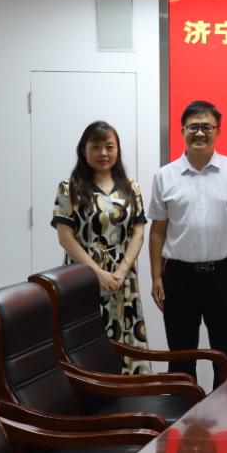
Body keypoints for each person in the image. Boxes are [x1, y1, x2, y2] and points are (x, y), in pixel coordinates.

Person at [148, 100, 227, 378]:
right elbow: (157, 230)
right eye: (193, 127)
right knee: (181, 357)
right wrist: (156, 276)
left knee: (226, 355)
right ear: (183, 130)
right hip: (178, 277)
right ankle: (184, 407)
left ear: (217, 131)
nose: (199, 133)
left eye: (206, 127)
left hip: (223, 275)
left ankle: (226, 407)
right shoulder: (164, 176)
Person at [52, 121, 150, 374]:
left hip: (122, 278)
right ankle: (89, 393)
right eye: (96, 147)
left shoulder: (131, 188)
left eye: (109, 146)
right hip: (82, 275)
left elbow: (138, 232)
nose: (103, 153)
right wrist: (97, 273)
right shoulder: (69, 188)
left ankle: (126, 393)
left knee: (124, 337)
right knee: (83, 340)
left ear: (117, 150)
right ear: (84, 150)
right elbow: (65, 237)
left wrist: (121, 271)